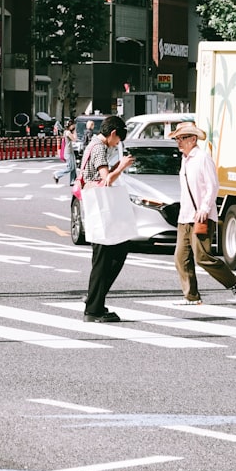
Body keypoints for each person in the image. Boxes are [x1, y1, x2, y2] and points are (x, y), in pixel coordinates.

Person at [171, 122, 236, 306]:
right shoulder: (185, 159)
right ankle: (191, 296)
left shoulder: (202, 158)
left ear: (193, 139)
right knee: (181, 257)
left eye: (182, 138)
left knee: (202, 257)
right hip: (185, 216)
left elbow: (213, 186)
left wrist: (204, 208)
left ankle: (233, 282)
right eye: (177, 138)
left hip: (201, 216)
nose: (178, 142)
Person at [81, 115, 135, 322]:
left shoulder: (95, 146)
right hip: (100, 209)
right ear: (113, 134)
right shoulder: (99, 148)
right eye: (118, 140)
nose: (117, 144)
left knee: (108, 257)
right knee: (106, 259)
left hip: (98, 207)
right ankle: (94, 308)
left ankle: (95, 300)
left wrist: (116, 168)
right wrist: (121, 166)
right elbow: (106, 180)